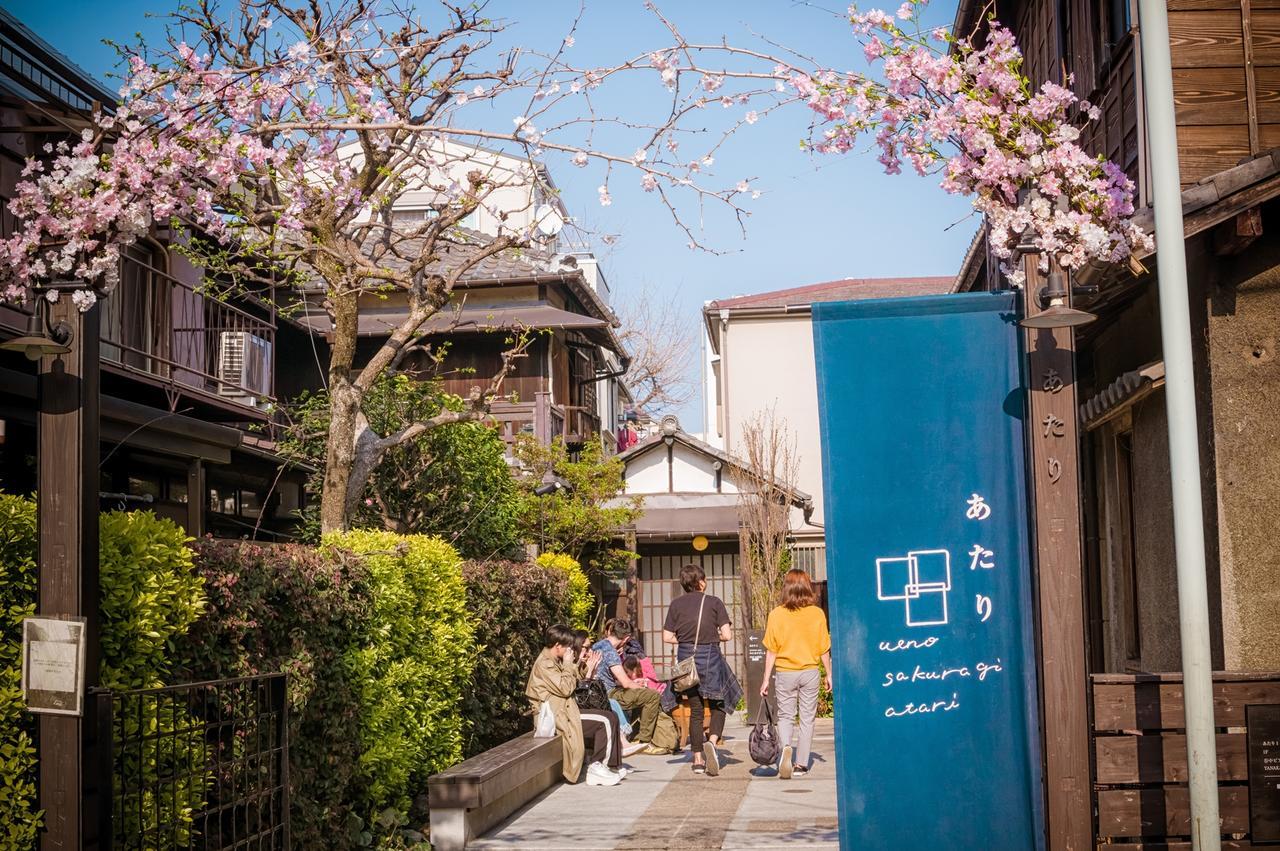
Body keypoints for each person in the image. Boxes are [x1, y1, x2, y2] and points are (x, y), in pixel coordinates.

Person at [663, 563, 742, 776]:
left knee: (696, 711)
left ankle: (697, 760)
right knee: (720, 704)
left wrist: (684, 641)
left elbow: (666, 637)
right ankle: (713, 743)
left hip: (686, 663)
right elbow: (727, 635)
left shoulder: (676, 604)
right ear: (701, 582)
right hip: (710, 660)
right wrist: (710, 637)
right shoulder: (714, 602)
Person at [525, 624, 624, 786]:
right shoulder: (545, 664)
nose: (570, 651)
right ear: (557, 646)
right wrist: (569, 664)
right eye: (568, 647)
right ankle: (598, 766)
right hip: (557, 717)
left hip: (566, 710)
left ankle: (610, 766)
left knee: (610, 715)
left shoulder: (555, 660)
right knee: (605, 720)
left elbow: (574, 681)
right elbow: (565, 688)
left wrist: (585, 665)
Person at [760, 569, 833, 779]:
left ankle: (785, 754)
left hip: (785, 672)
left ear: (787, 588)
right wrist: (829, 674)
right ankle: (801, 764)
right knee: (807, 719)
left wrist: (765, 679)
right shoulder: (817, 613)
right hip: (809, 671)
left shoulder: (776, 614)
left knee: (785, 717)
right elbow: (823, 648)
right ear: (807, 587)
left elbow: (771, 650)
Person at [592, 619, 680, 755]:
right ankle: (644, 741)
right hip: (609, 694)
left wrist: (635, 684)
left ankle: (639, 736)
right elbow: (626, 682)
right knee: (652, 695)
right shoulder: (611, 652)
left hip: (598, 691)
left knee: (641, 693)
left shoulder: (597, 645)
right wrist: (642, 687)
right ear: (626, 638)